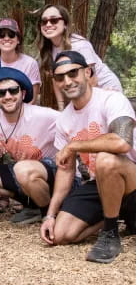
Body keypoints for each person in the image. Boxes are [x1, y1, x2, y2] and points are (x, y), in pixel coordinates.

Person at [40, 51, 136, 264]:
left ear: (87, 72)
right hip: (102, 183)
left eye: (73, 73)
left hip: (130, 177)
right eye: (60, 77)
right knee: (62, 234)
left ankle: (110, 234)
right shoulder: (64, 119)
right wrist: (50, 215)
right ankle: (115, 215)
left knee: (106, 159)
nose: (67, 81)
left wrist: (74, 145)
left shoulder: (112, 99)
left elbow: (122, 142)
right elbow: (65, 171)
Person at [0, 67, 77, 224]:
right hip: (27, 174)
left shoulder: (44, 115)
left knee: (22, 169)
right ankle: (33, 206)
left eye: (13, 91)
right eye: (1, 93)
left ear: (23, 94)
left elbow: (76, 123)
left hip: (59, 174)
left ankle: (49, 213)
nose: (8, 96)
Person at [0, 18, 41, 214]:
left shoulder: (29, 63)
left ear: (18, 39)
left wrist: (16, 124)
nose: (6, 38)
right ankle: (5, 195)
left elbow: (32, 96)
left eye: (11, 35)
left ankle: (26, 191)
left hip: (25, 114)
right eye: (2, 35)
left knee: (25, 149)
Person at [36, 4, 122, 111]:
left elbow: (92, 78)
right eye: (44, 21)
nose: (48, 24)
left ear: (65, 24)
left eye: (54, 20)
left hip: (104, 88)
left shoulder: (79, 45)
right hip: (82, 91)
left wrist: (88, 108)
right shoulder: (48, 49)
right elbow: (56, 79)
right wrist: (61, 107)